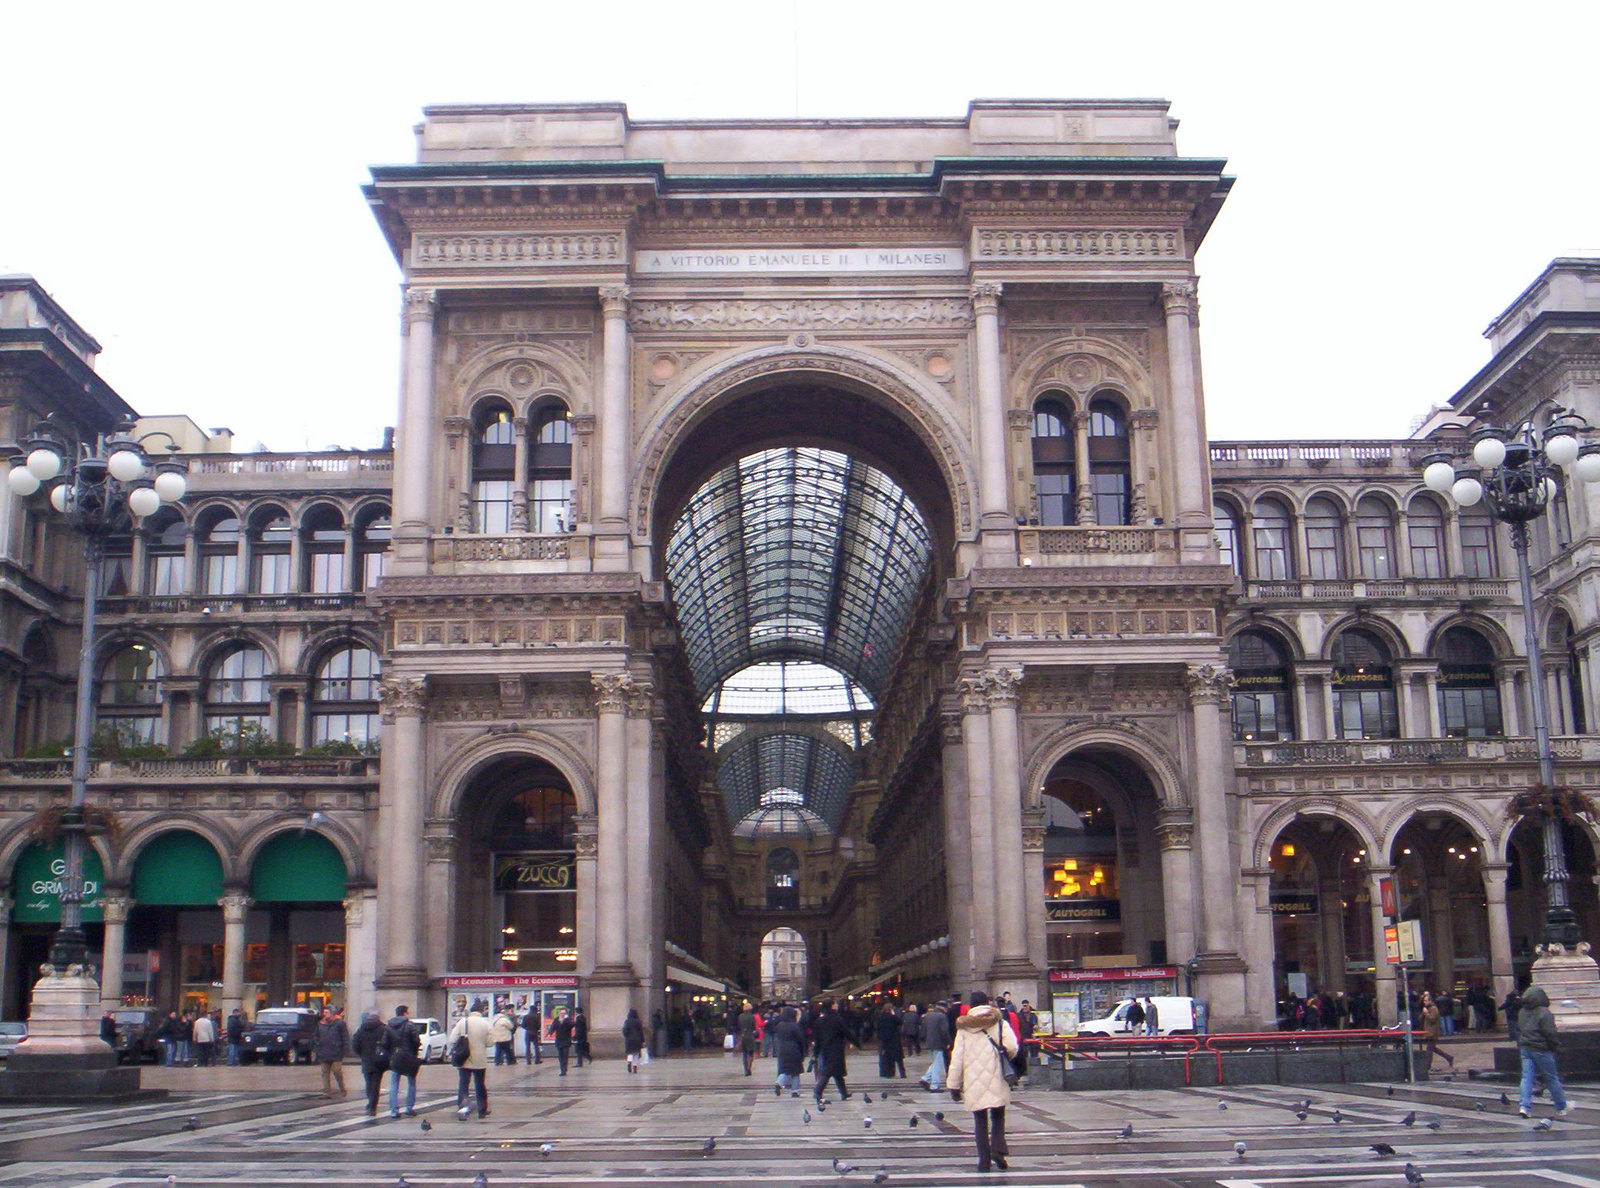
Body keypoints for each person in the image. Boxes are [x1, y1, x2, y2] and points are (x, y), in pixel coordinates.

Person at [948, 991, 1020, 1174]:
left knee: (980, 1122)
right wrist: (1004, 1058)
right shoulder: (999, 1022)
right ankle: (998, 1151)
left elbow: (957, 1058)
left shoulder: (964, 1028)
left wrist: (954, 1085)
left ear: (971, 1005)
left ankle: (984, 1161)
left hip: (974, 1081)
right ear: (987, 1003)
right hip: (996, 1077)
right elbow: (1012, 1046)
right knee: (998, 1116)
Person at [1516, 985, 1571, 1117]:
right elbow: (1550, 1032)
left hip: (1525, 1048)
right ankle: (1561, 1106)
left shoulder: (1522, 1012)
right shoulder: (1544, 1012)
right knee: (1551, 1078)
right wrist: (1556, 1046)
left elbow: (1520, 1028)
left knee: (1526, 1078)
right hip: (1541, 1048)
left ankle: (1524, 1106)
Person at [449, 1004, 492, 1118]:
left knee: (463, 1084)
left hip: (464, 1058)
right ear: (481, 1012)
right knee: (480, 1085)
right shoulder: (485, 1024)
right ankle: (482, 1110)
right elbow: (490, 1043)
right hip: (479, 1059)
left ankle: (463, 1109)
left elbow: (452, 1039)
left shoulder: (463, 1022)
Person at [811, 999, 858, 1103]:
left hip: (825, 1049)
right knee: (828, 1072)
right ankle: (817, 1091)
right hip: (836, 1048)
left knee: (837, 1073)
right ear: (832, 1006)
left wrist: (816, 1051)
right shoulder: (837, 1019)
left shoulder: (820, 1020)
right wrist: (856, 1043)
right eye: (835, 1004)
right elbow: (847, 1032)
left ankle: (844, 1093)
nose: (836, 1005)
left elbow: (817, 1038)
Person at [351, 1010, 390, 1116]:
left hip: (366, 1059)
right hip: (379, 1060)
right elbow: (390, 1043)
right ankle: (373, 1106)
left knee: (368, 1083)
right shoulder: (383, 1029)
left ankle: (370, 1103)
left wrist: (362, 1054)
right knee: (376, 1084)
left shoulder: (362, 1029)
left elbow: (355, 1044)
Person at [386, 1004, 422, 1118]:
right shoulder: (410, 1025)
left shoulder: (389, 1026)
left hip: (396, 1056)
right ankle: (409, 1108)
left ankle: (394, 1110)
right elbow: (416, 1041)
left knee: (394, 1084)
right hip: (409, 1056)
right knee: (411, 1082)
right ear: (405, 1013)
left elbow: (385, 1042)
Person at [315, 1007, 350, 1098]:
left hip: (336, 1052)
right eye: (324, 1012)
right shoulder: (320, 1024)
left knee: (336, 1071)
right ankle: (326, 1092)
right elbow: (316, 1037)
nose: (324, 1014)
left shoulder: (340, 1023)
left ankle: (342, 1089)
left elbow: (345, 1037)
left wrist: (345, 1050)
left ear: (332, 1013)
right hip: (323, 1052)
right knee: (325, 1072)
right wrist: (317, 1048)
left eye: (326, 1012)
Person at [919, 999, 952, 1092]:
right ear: (944, 1008)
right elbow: (944, 1031)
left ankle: (925, 1078)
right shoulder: (941, 1016)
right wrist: (949, 1042)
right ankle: (934, 1085)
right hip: (939, 1042)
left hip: (930, 1042)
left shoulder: (928, 1016)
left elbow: (923, 1030)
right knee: (937, 1064)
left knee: (935, 1062)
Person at [773, 1007, 806, 1097]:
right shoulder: (794, 1026)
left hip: (782, 1049)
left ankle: (779, 1082)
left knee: (785, 1069)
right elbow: (800, 1039)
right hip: (794, 1048)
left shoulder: (780, 1025)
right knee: (795, 1071)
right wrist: (803, 1052)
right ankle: (795, 1090)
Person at [1419, 991, 1454, 1072]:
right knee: (1433, 1048)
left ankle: (1427, 1066)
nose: (1424, 1002)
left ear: (1431, 1001)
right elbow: (1420, 1019)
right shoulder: (1427, 1009)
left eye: (1426, 1000)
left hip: (1432, 1032)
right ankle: (1449, 1057)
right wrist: (1424, 1013)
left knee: (1429, 1050)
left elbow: (1433, 1019)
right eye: (1424, 1001)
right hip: (1428, 1031)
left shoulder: (1434, 1009)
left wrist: (1427, 1013)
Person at [877, 1001, 905, 1078]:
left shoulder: (880, 1017)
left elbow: (878, 1028)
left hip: (884, 1040)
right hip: (894, 1039)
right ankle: (902, 1073)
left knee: (886, 1057)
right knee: (898, 1057)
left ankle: (887, 1073)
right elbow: (900, 1022)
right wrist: (893, 1014)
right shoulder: (892, 1017)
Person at [552, 1007, 575, 1075]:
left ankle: (564, 1070)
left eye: (563, 1013)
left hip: (566, 1040)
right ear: (559, 1013)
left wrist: (566, 1019)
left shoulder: (568, 1020)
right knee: (560, 1056)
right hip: (559, 1040)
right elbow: (553, 1027)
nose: (562, 1014)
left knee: (565, 1055)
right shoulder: (556, 1020)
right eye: (561, 1013)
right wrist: (550, 1032)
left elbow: (572, 1025)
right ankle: (562, 1068)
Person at [623, 1008, 646, 1073]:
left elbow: (624, 1031)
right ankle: (635, 1067)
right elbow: (641, 1032)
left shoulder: (627, 1021)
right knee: (636, 1054)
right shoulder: (638, 1022)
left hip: (629, 1040)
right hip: (637, 1039)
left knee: (630, 1053)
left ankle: (629, 1062)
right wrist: (643, 1040)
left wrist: (626, 1036)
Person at [738, 1001, 758, 1076]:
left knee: (744, 1053)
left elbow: (739, 1026)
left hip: (743, 1035)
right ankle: (749, 1067)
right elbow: (753, 1027)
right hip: (750, 1035)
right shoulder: (752, 1016)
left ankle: (745, 1069)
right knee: (751, 1053)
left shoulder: (740, 1016)